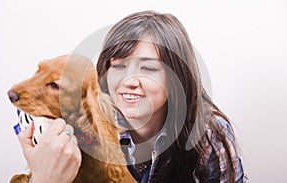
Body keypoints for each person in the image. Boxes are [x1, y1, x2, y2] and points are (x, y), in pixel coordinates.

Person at [17, 10, 247, 183]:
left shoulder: (208, 135)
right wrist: (42, 173)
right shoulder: (84, 128)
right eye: (118, 66)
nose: (128, 81)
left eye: (148, 69)